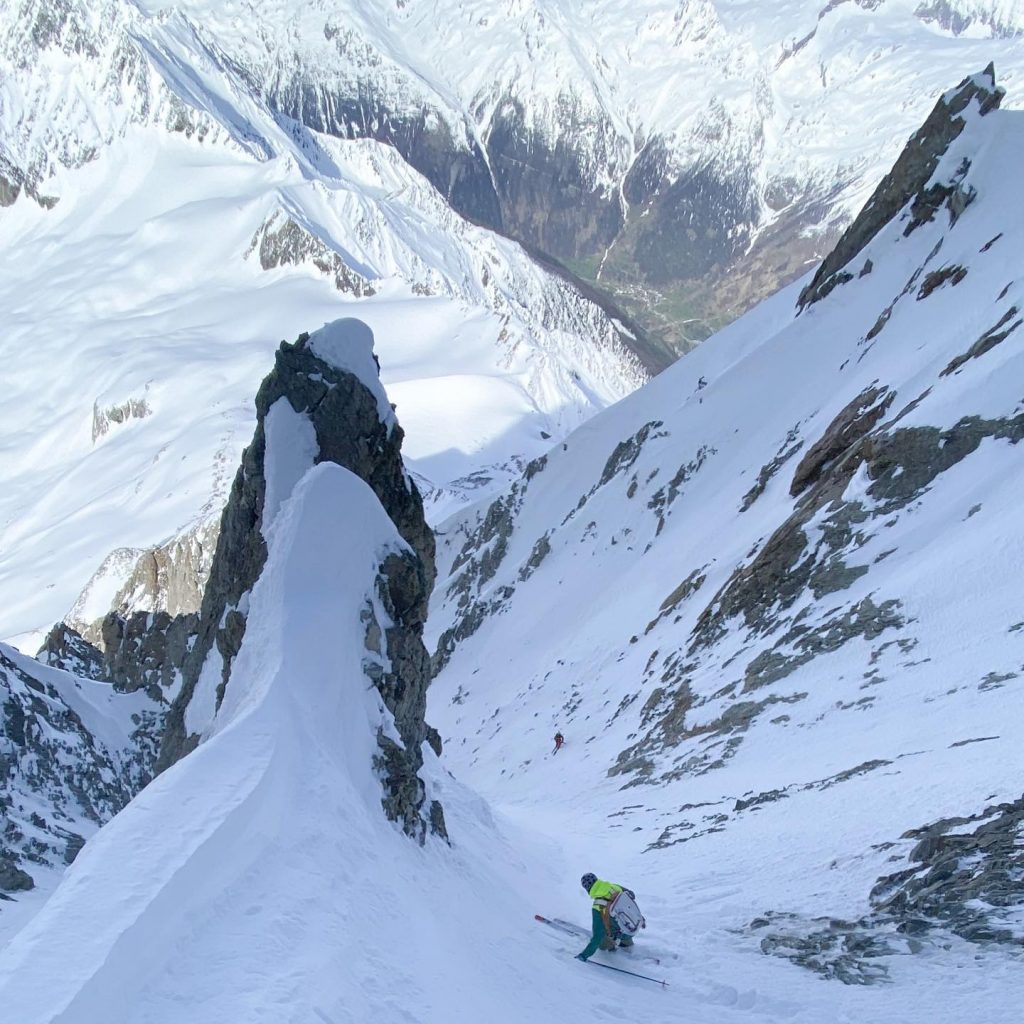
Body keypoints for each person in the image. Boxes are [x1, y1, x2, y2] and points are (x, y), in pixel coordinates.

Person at [575, 873, 645, 961]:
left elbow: (597, 936)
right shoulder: (614, 887)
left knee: (601, 941)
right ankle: (626, 944)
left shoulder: (598, 906)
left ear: (587, 889)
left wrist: (584, 955)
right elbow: (631, 895)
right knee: (617, 920)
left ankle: (613, 944)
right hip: (632, 927)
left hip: (619, 933)